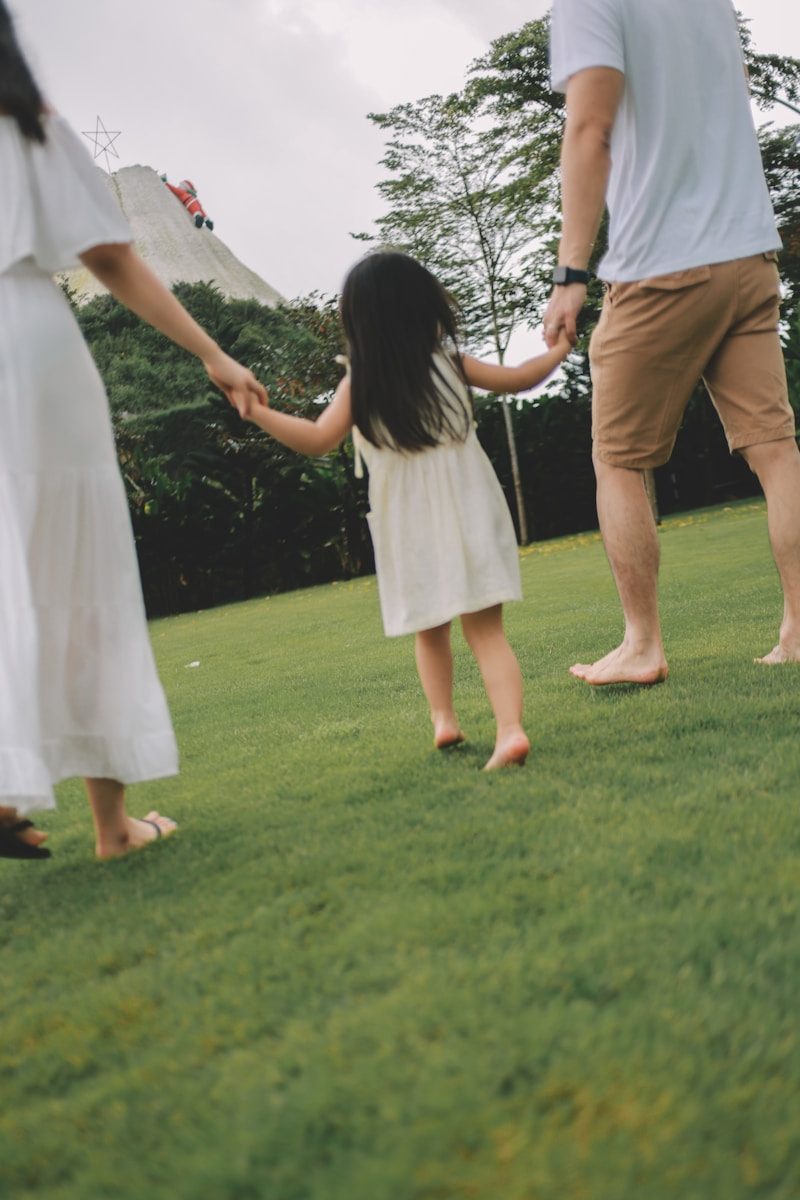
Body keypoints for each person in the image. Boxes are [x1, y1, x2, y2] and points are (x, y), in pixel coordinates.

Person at [0, 1, 265, 861]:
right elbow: (109, 255)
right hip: (30, 347)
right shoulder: (28, 124)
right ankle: (113, 827)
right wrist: (214, 354)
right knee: (78, 573)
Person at [542, 0, 800, 685]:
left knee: (619, 460)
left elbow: (590, 125)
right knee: (776, 452)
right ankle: (799, 629)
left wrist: (571, 274)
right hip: (748, 250)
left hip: (663, 263)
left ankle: (642, 644)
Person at [241, 251, 571, 769]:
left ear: (360, 321)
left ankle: (445, 720)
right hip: (470, 504)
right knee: (486, 631)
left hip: (407, 521)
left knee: (429, 626)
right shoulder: (452, 364)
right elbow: (523, 377)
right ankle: (510, 730)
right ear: (425, 306)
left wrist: (259, 412)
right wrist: (560, 349)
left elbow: (315, 440)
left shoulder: (360, 383)